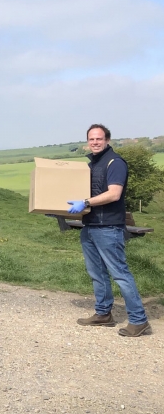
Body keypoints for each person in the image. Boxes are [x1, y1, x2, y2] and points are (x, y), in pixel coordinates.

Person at [67, 124, 151, 337]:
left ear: (107, 140)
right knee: (97, 273)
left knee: (120, 274)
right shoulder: (92, 165)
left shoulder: (115, 163)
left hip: (108, 227)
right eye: (91, 139)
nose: (95, 142)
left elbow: (114, 194)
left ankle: (139, 321)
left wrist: (85, 201)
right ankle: (103, 314)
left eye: (99, 138)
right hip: (90, 226)